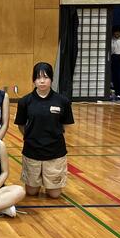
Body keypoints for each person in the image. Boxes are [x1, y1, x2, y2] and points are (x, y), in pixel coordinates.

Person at [14, 62, 74, 198]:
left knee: (54, 195)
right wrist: (30, 137)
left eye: (45, 77)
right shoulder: (25, 101)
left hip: (55, 152)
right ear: (33, 80)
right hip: (32, 151)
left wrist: (53, 135)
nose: (42, 81)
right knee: (31, 192)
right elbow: (21, 125)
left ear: (51, 79)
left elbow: (65, 125)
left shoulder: (62, 101)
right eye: (38, 77)